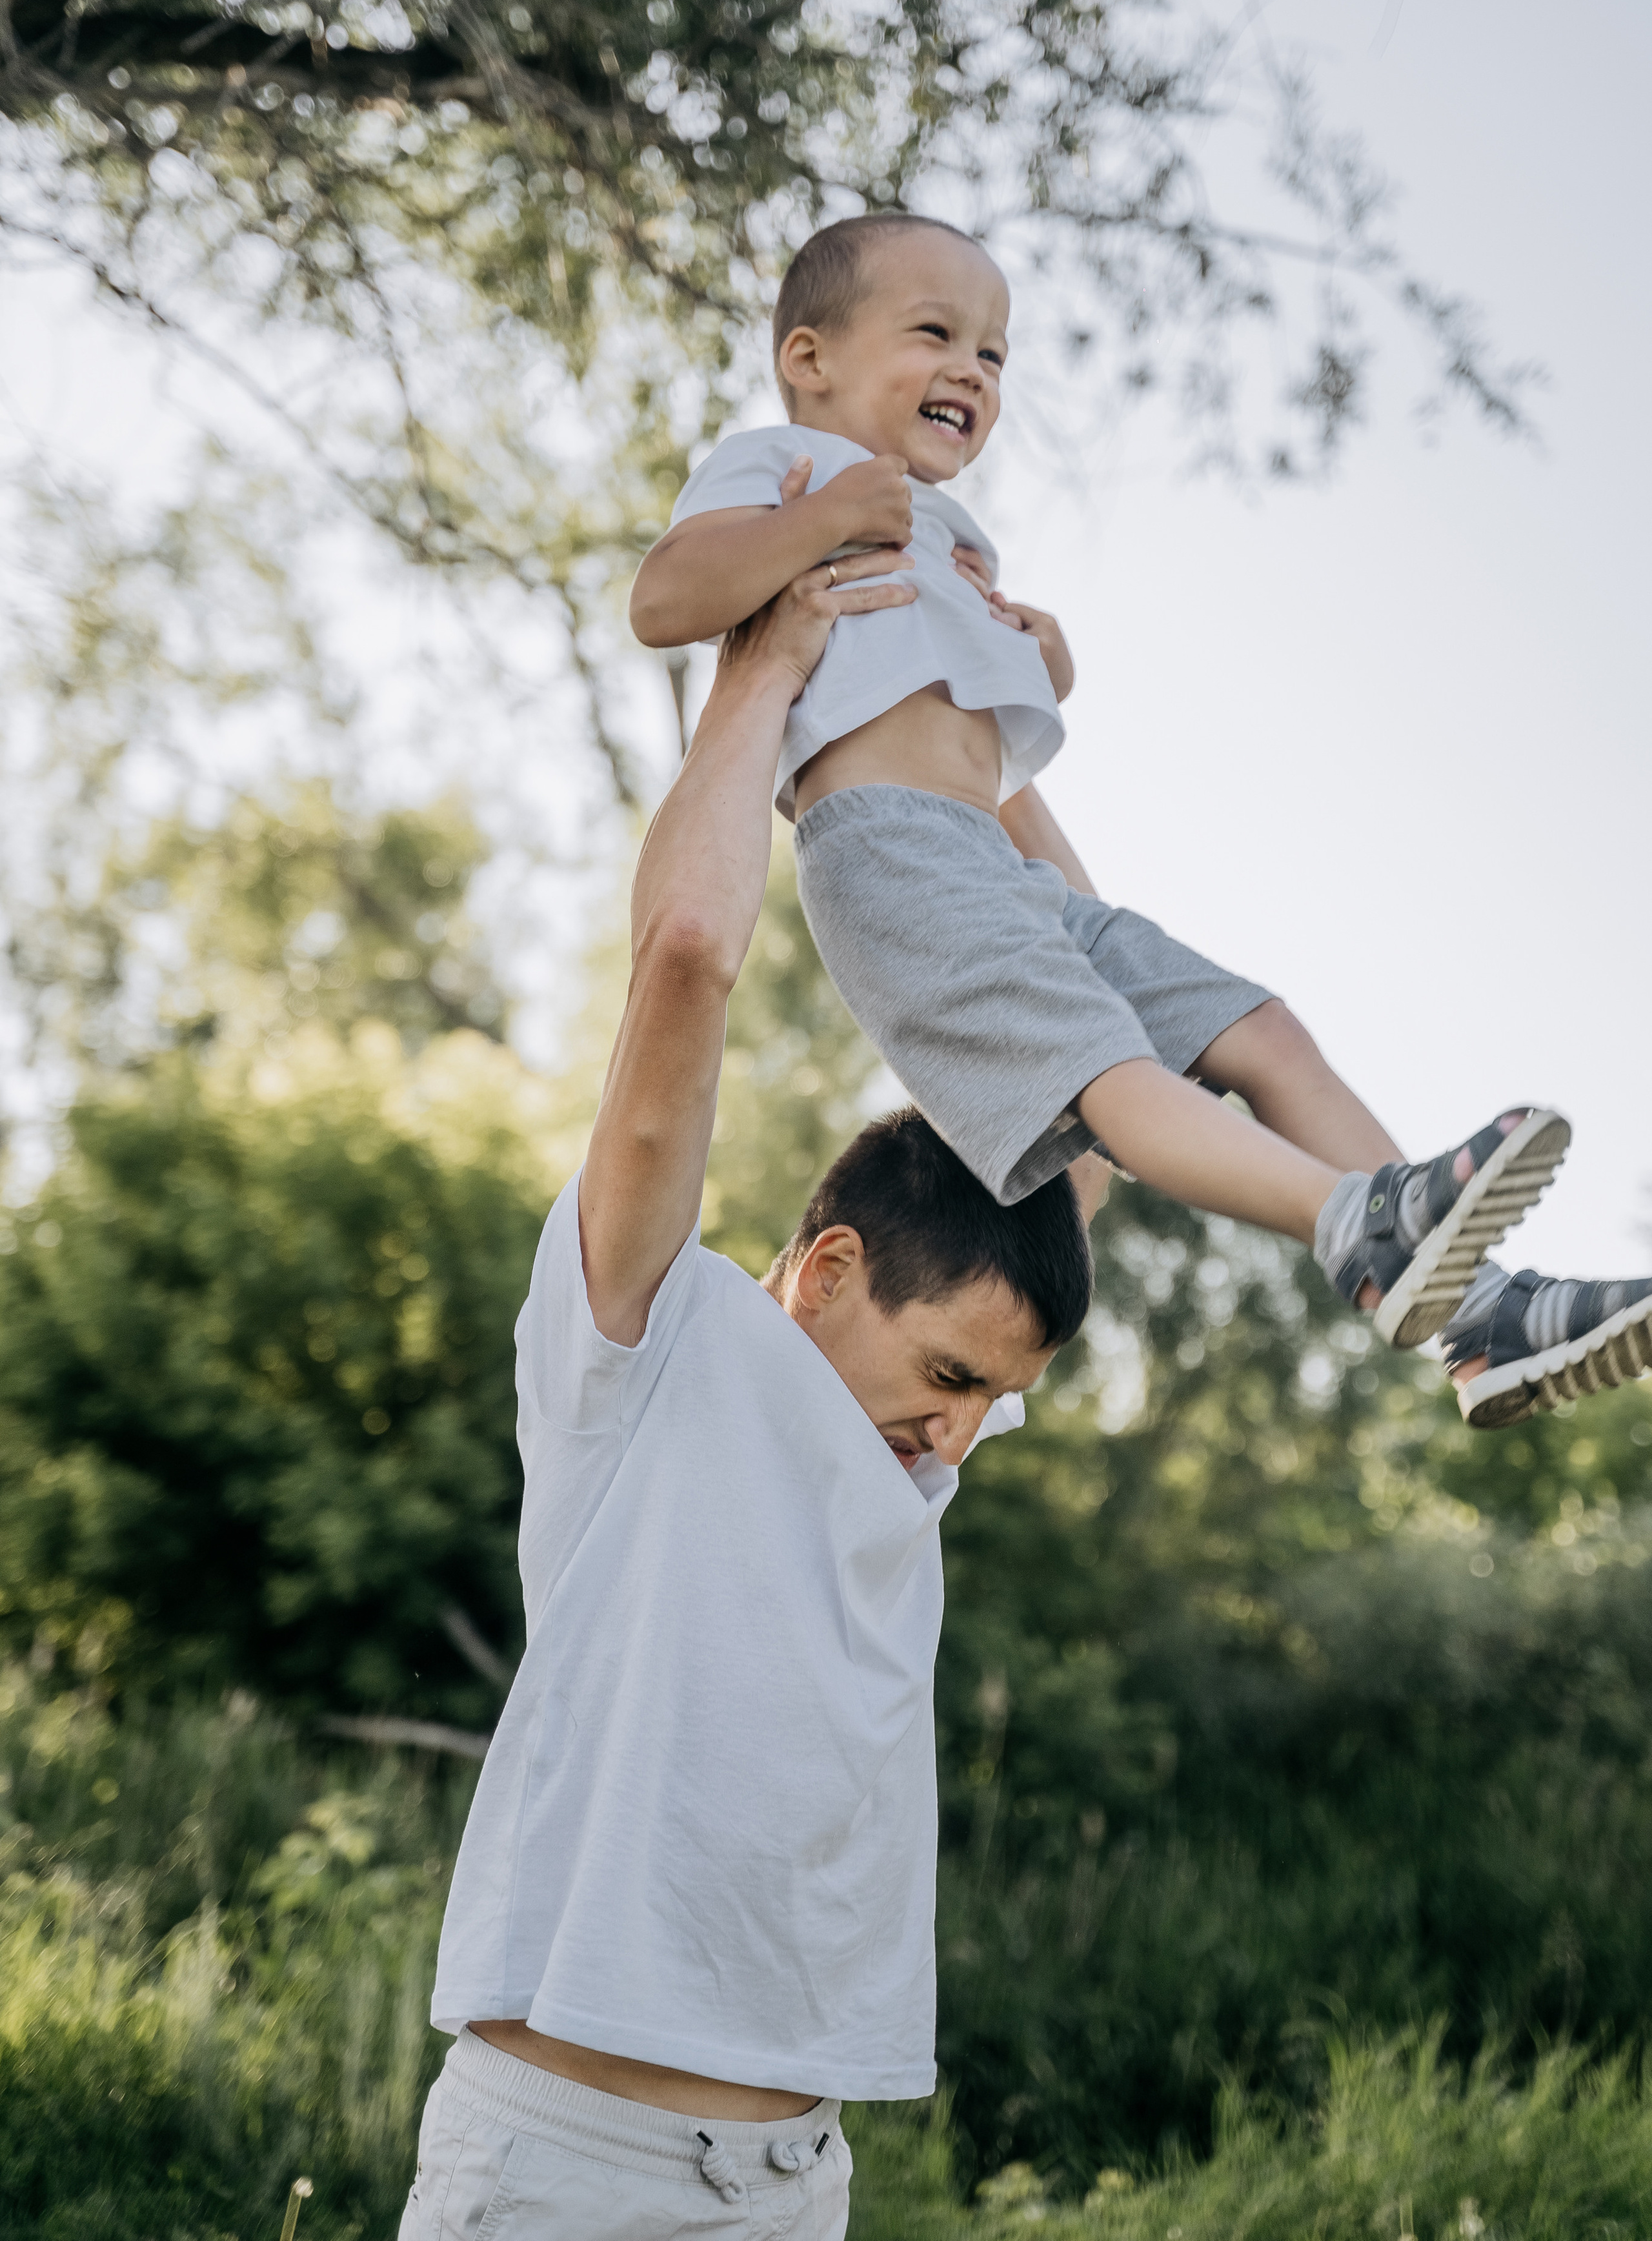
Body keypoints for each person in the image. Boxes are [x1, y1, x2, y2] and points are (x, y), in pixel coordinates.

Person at [629, 211, 1652, 1432]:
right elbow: (666, 598)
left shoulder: (951, 528)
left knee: (1260, 1033)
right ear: (811, 357)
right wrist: (823, 519)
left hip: (1008, 873)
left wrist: (1033, 659)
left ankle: (1479, 1318)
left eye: (996, 355)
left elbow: (963, 727)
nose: (972, 368)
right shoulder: (782, 467)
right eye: (936, 333)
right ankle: (1353, 1227)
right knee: (1108, 1084)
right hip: (890, 855)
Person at [399, 543, 1107, 2240]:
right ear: (831, 1269)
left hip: (792, 2184)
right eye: (946, 1377)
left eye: (991, 1401)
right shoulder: (642, 1355)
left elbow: (1091, 1037)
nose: (959, 1432)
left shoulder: (906, 1458)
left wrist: (983, 744)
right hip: (564, 2161)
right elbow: (691, 958)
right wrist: (768, 668)